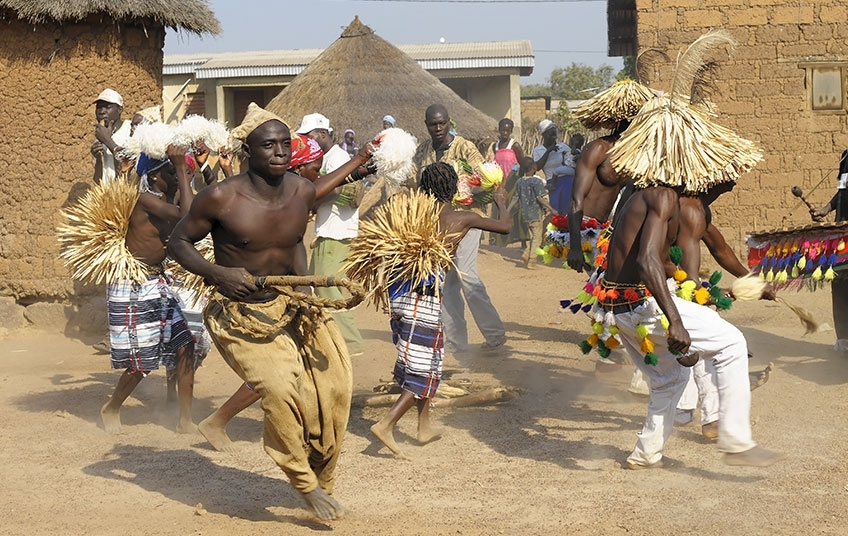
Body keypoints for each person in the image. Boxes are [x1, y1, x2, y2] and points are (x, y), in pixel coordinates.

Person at [168, 103, 375, 521]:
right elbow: (177, 242)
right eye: (269, 145)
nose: (279, 151)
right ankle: (304, 484)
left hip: (294, 304)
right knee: (279, 388)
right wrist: (218, 273)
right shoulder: (220, 196)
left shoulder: (301, 190)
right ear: (249, 150)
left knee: (334, 390)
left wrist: (360, 161)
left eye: (285, 144)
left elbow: (304, 223)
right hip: (239, 311)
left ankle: (324, 480)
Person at [597, 181, 783, 469]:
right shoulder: (665, 196)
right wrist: (676, 321)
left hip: (618, 308)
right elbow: (648, 261)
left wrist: (700, 291)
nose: (731, 182)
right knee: (732, 343)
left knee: (669, 380)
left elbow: (656, 259)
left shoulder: (641, 196)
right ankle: (735, 441)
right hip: (642, 306)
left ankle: (646, 454)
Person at [370, 162, 510, 458]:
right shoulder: (461, 217)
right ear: (453, 189)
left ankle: (423, 427)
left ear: (424, 188)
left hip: (400, 296)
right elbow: (506, 227)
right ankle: (387, 423)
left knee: (427, 360)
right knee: (423, 369)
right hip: (425, 298)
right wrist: (501, 202)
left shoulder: (410, 213)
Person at [100, 145, 197, 434]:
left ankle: (185, 419)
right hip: (134, 285)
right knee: (141, 361)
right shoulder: (144, 199)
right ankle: (112, 407)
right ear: (154, 177)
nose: (177, 174)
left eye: (176, 169)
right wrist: (182, 168)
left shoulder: (167, 197)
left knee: (185, 344)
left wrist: (185, 172)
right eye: (170, 171)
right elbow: (187, 216)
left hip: (159, 281)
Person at [411, 103, 507, 352]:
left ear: (449, 122)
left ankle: (495, 334)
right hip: (437, 224)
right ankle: (456, 342)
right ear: (427, 125)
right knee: (447, 283)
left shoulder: (464, 146)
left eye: (442, 123)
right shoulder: (422, 150)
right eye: (433, 124)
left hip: (466, 221)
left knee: (466, 276)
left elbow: (485, 180)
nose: (438, 128)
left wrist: (465, 190)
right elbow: (415, 183)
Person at [297, 112, 368, 356]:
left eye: (310, 136)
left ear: (323, 134)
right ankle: (332, 338)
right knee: (317, 285)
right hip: (326, 231)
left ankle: (352, 343)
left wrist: (314, 197)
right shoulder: (324, 158)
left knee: (328, 286)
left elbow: (350, 193)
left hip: (337, 232)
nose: (307, 141)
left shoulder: (337, 158)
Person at [566, 121, 632, 273]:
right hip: (587, 229)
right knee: (603, 286)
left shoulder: (634, 156)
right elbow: (576, 199)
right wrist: (575, 247)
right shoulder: (599, 148)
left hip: (609, 230)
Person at [810, 149, 848, 352]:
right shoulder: (846, 155)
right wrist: (827, 208)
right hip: (841, 233)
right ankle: (844, 339)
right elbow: (843, 189)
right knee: (840, 286)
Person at [486, 118, 528, 248]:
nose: (505, 133)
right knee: (499, 209)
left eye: (507, 130)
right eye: (503, 130)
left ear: (510, 131)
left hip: (513, 181)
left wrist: (517, 180)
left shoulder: (514, 145)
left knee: (516, 209)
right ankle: (500, 240)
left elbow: (523, 163)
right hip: (499, 182)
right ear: (499, 130)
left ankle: (522, 241)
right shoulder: (495, 146)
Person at [509, 157, 556, 267]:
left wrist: (507, 210)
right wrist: (552, 209)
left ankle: (526, 253)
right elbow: (540, 198)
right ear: (533, 168)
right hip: (535, 213)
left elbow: (515, 198)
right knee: (537, 238)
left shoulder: (520, 181)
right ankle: (531, 260)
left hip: (525, 214)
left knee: (532, 236)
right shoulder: (536, 181)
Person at [91, 88, 132, 185]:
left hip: (127, 194)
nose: (102, 111)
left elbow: (129, 165)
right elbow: (98, 181)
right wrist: (99, 161)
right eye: (99, 108)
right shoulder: (99, 139)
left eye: (107, 107)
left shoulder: (130, 129)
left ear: (119, 109)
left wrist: (107, 140)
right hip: (110, 196)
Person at [532, 119, 570, 196]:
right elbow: (537, 167)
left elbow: (571, 163)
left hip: (567, 181)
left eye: (554, 132)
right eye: (550, 132)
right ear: (543, 134)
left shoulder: (563, 147)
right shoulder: (538, 150)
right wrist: (548, 151)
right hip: (552, 183)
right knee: (555, 206)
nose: (553, 134)